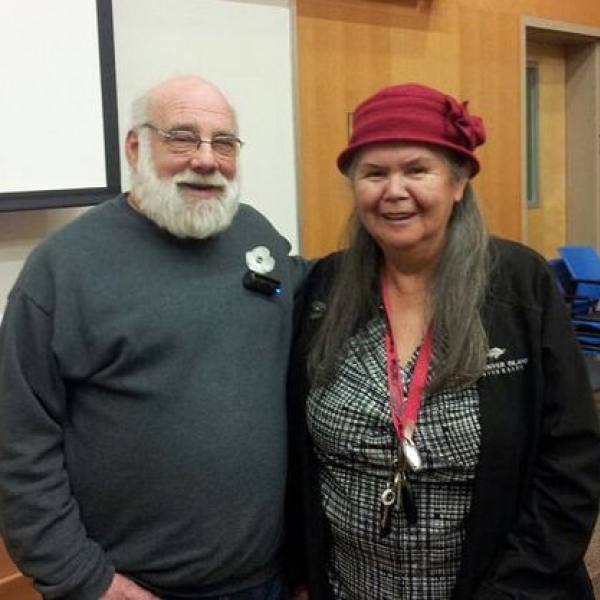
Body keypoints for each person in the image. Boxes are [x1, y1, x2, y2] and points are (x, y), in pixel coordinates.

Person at [286, 83, 600, 599]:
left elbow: (570, 463)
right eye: (374, 173)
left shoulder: (518, 283)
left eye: (416, 169)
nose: (394, 190)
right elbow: (299, 459)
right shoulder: (324, 288)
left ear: (458, 183)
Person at [0, 75, 308, 600]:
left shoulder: (256, 235)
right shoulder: (64, 269)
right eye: (182, 137)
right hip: (132, 588)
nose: (207, 159)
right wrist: (82, 579)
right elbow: (16, 442)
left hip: (268, 579)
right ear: (135, 146)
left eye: (224, 142)